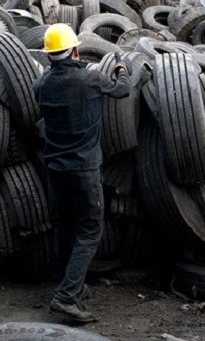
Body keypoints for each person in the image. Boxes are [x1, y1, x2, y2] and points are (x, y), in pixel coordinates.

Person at [33, 23, 132, 324]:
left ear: (49, 55)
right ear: (75, 49)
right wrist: (122, 67)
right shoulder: (90, 78)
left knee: (64, 229)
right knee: (90, 231)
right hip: (84, 169)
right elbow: (123, 91)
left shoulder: (42, 85)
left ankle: (70, 285)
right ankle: (66, 298)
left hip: (55, 169)